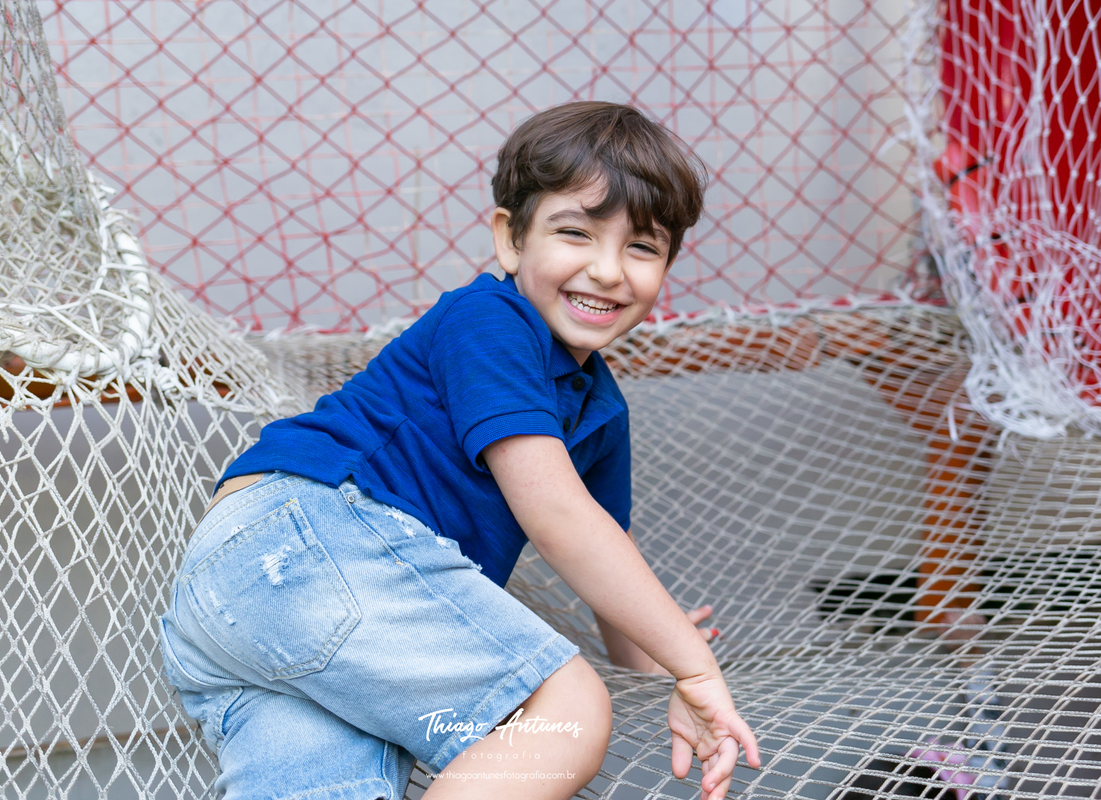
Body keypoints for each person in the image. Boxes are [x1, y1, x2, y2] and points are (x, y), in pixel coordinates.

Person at [159, 101, 761, 800]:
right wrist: (694, 668)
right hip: (306, 542)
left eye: (642, 248)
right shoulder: (490, 321)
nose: (606, 270)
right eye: (575, 233)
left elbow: (604, 551)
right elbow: (558, 515)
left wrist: (659, 657)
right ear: (510, 239)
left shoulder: (600, 413)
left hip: (253, 611)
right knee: (564, 714)